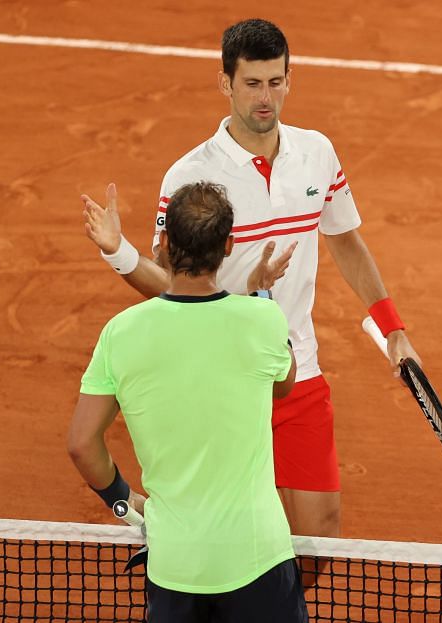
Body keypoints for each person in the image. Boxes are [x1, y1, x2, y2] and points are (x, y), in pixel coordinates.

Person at [81, 18, 421, 541]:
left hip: (295, 369)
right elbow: (172, 286)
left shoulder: (317, 154)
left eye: (276, 82)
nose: (266, 98)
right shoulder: (189, 177)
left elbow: (346, 241)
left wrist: (393, 327)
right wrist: (118, 253)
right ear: (226, 84)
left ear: (290, 79)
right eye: (252, 84)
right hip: (224, 372)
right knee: (227, 532)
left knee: (317, 535)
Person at [68, 181, 308, 623]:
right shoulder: (262, 321)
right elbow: (285, 384)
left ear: (163, 244)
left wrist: (124, 504)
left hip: (175, 567)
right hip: (258, 560)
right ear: (229, 246)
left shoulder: (121, 332)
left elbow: (83, 444)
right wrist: (259, 294)